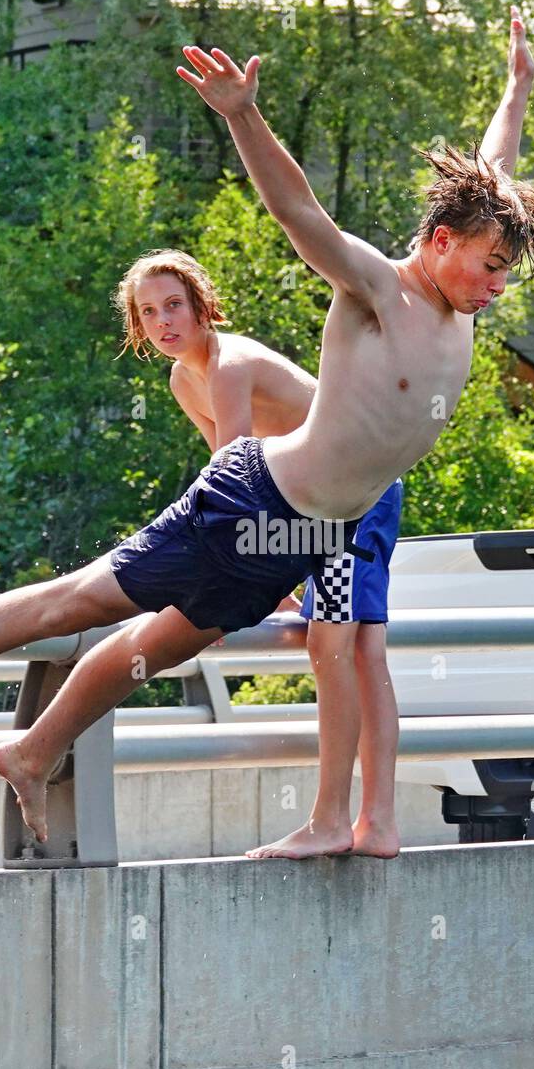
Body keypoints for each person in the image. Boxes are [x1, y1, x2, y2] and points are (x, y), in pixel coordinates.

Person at [0, 7, 534, 847]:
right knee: (70, 602)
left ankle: (34, 749)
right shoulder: (379, 289)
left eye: (505, 272)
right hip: (255, 501)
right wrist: (241, 114)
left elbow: (491, 173)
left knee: (156, 649)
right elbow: (300, 212)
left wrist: (516, 88)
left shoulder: (465, 283)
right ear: (440, 243)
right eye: (489, 267)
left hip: (303, 539)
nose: (496, 286)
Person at [116, 248, 404, 857]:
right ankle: (376, 825)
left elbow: (236, 488)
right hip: (315, 505)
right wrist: (257, 583)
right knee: (360, 650)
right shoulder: (182, 379)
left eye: (174, 305)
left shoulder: (228, 366)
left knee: (338, 647)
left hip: (358, 495)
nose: (164, 321)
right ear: (137, 328)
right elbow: (225, 485)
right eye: (148, 313)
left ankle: (338, 823)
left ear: (201, 306)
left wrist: (216, 591)